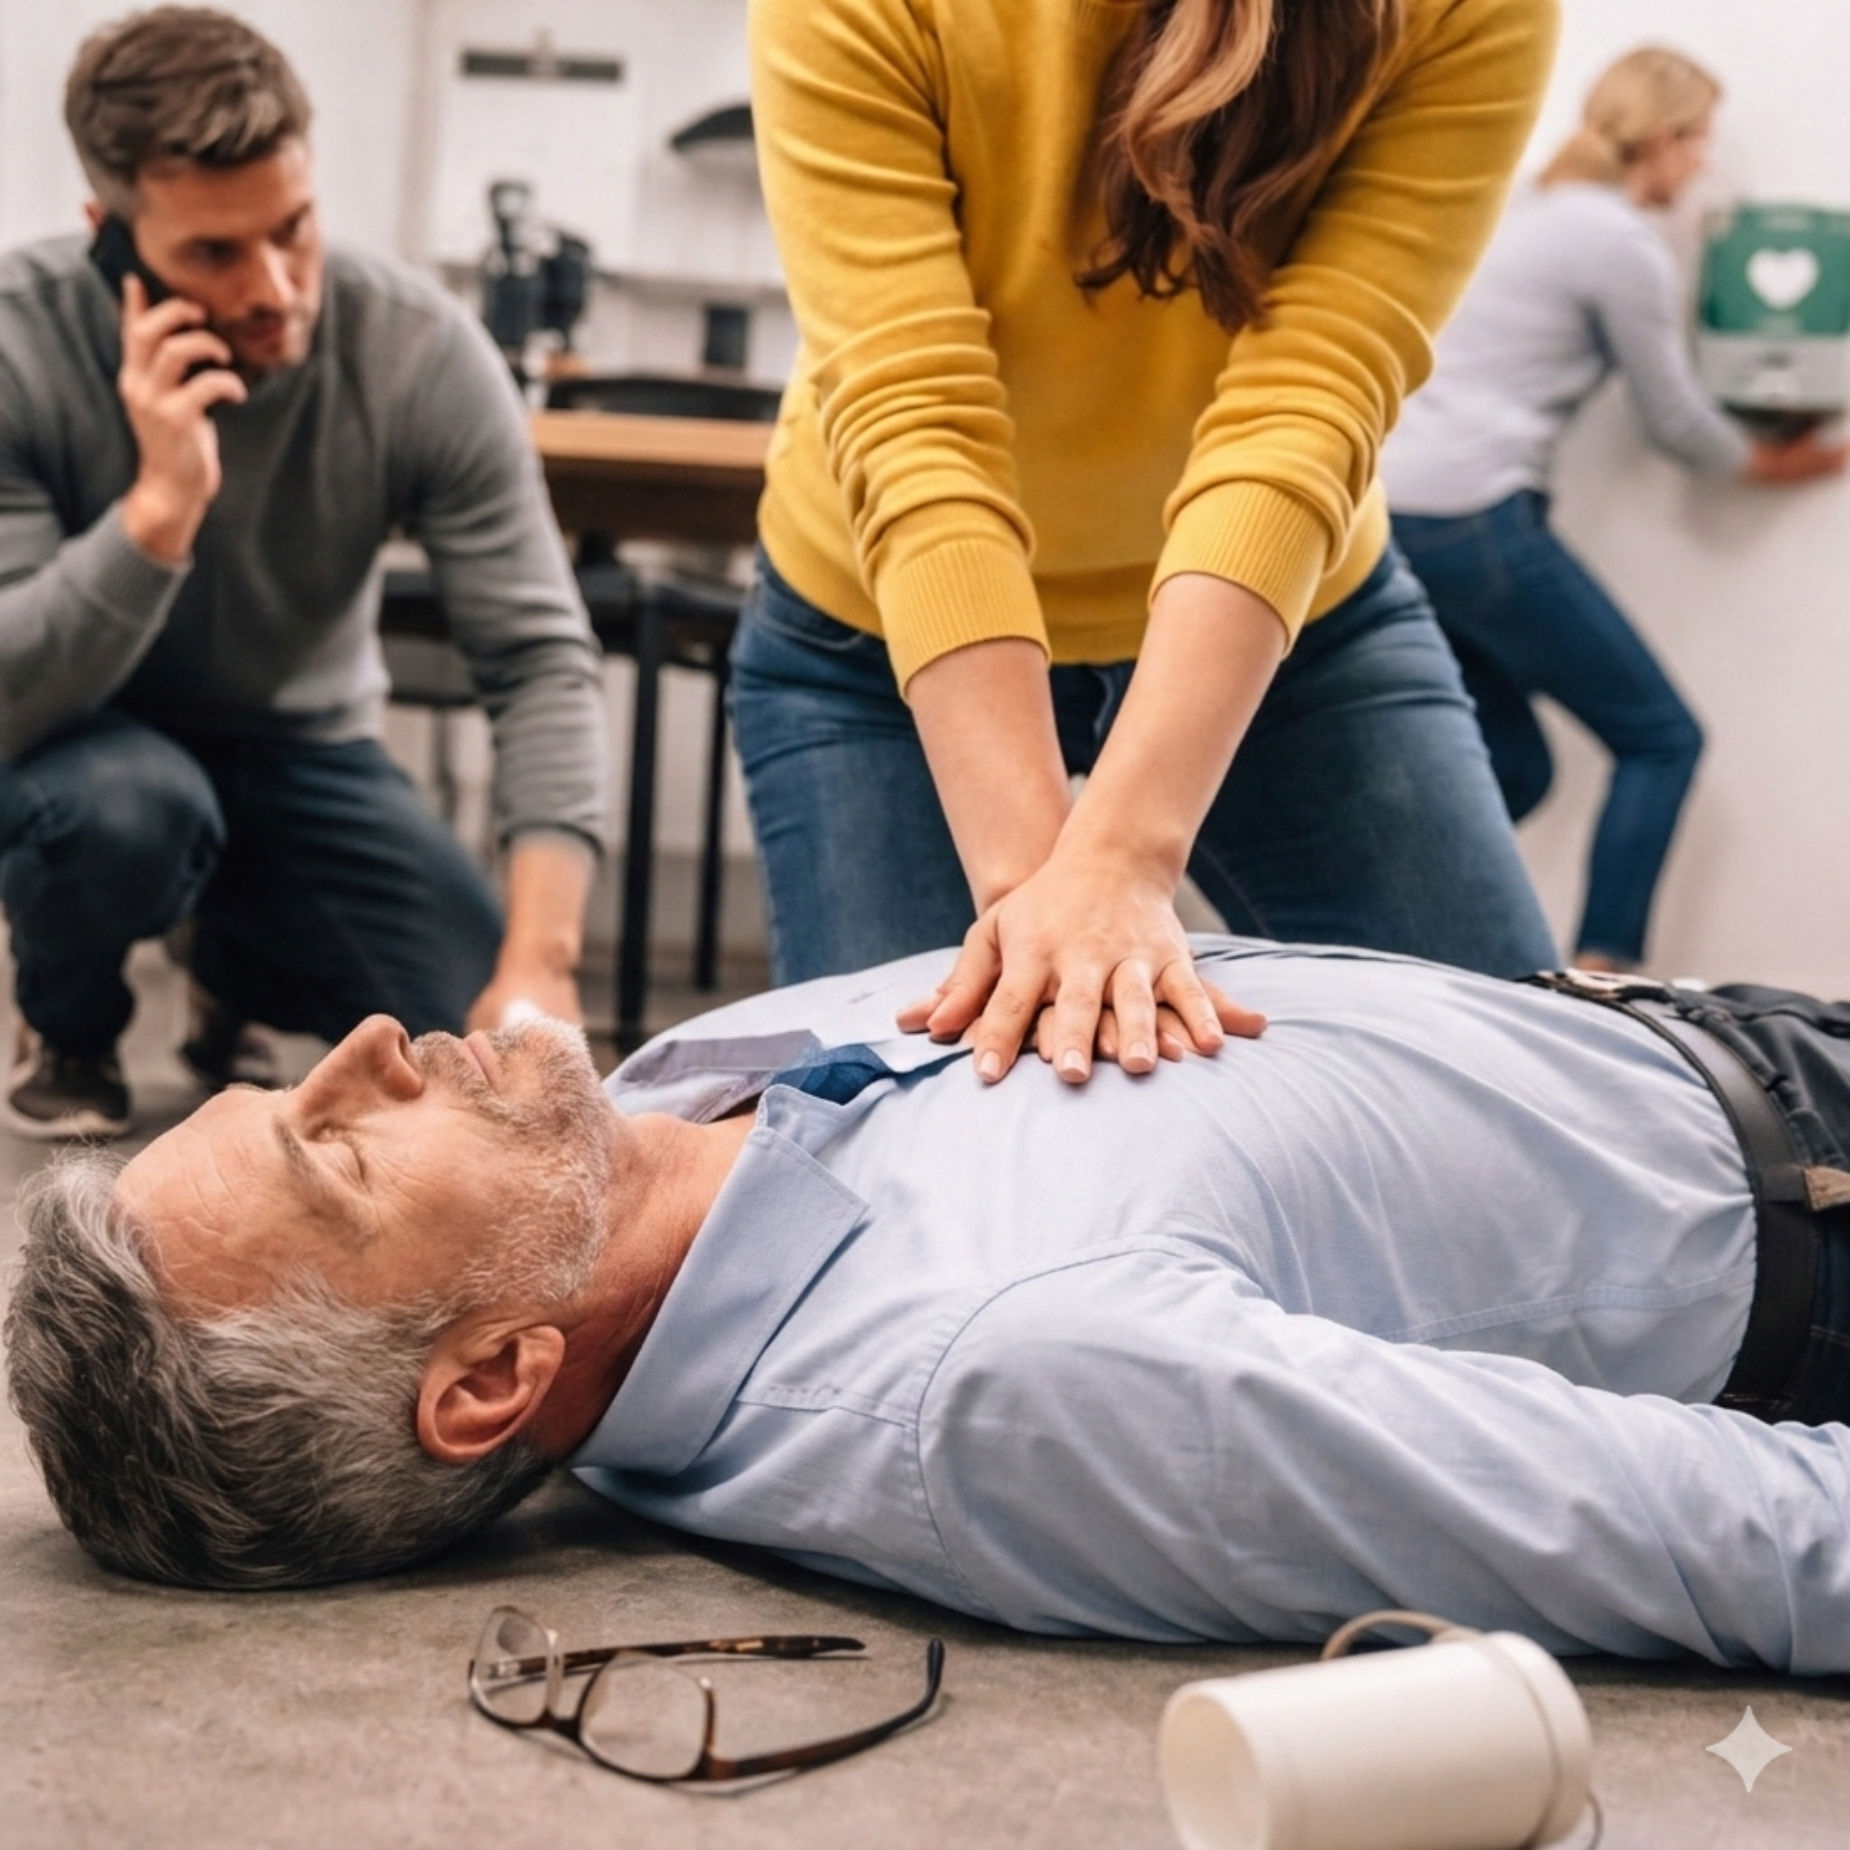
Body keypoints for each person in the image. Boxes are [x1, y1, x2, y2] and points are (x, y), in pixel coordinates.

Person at [12, 933, 1850, 1675]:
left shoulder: (657, 1099)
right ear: (488, 1383)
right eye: (335, 1153)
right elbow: (1752, 1542)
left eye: (291, 1093)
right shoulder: (1004, 1379)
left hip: (1712, 1029)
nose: (358, 1054)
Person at [730, 0, 1565, 1091]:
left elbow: (1307, 405)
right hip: (882, 639)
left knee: (1510, 1087)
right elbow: (914, 421)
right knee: (923, 1147)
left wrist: (1122, 858)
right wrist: (1049, 917)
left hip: (1284, 622)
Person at [0, 8, 608, 1141]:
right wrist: (157, 515)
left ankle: (235, 959)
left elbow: (536, 662)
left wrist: (542, 960)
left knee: (471, 1043)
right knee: (124, 814)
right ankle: (70, 1024)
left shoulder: (416, 351)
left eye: (293, 228)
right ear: (109, 239)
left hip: (306, 755)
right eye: (215, 254)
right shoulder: (16, 344)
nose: (275, 288)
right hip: (91, 749)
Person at [1384, 47, 1846, 974]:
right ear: (1664, 143)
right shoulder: (1616, 238)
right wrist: (1775, 463)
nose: (1704, 163)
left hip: (1397, 518)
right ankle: (1598, 981)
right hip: (1478, 518)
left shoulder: (1526, 209)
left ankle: (1379, 937)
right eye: (1700, 141)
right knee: (1663, 739)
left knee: (1516, 768)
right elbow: (1674, 420)